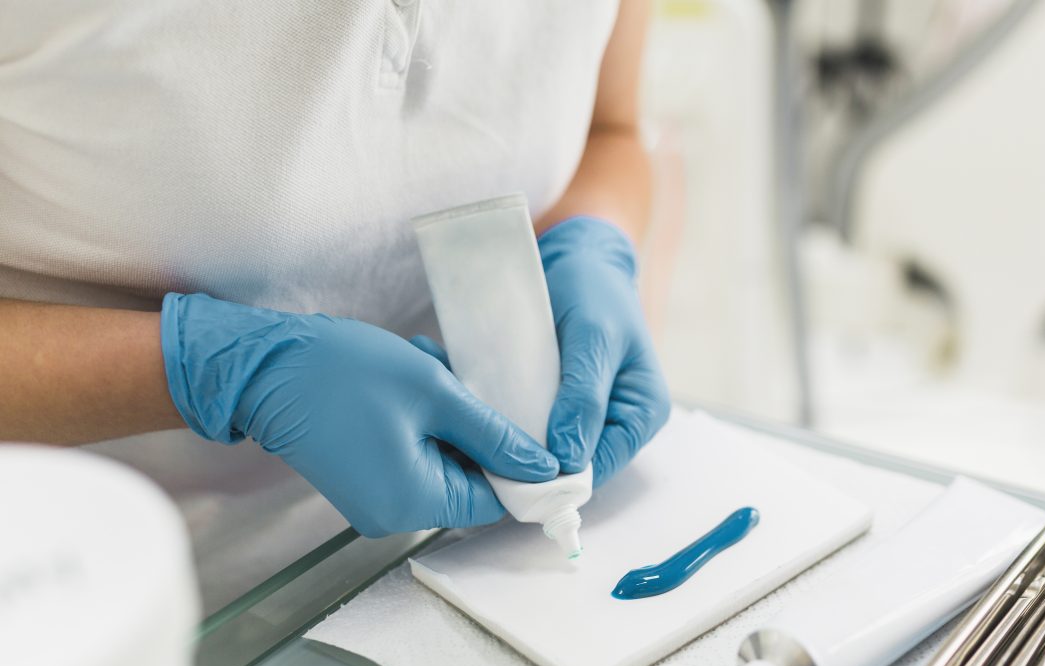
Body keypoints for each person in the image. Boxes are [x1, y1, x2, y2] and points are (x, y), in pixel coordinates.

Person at [0, 0, 670, 614]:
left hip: (437, 569)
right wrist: (212, 368)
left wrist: (593, 239)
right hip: (82, 593)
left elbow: (610, 130)